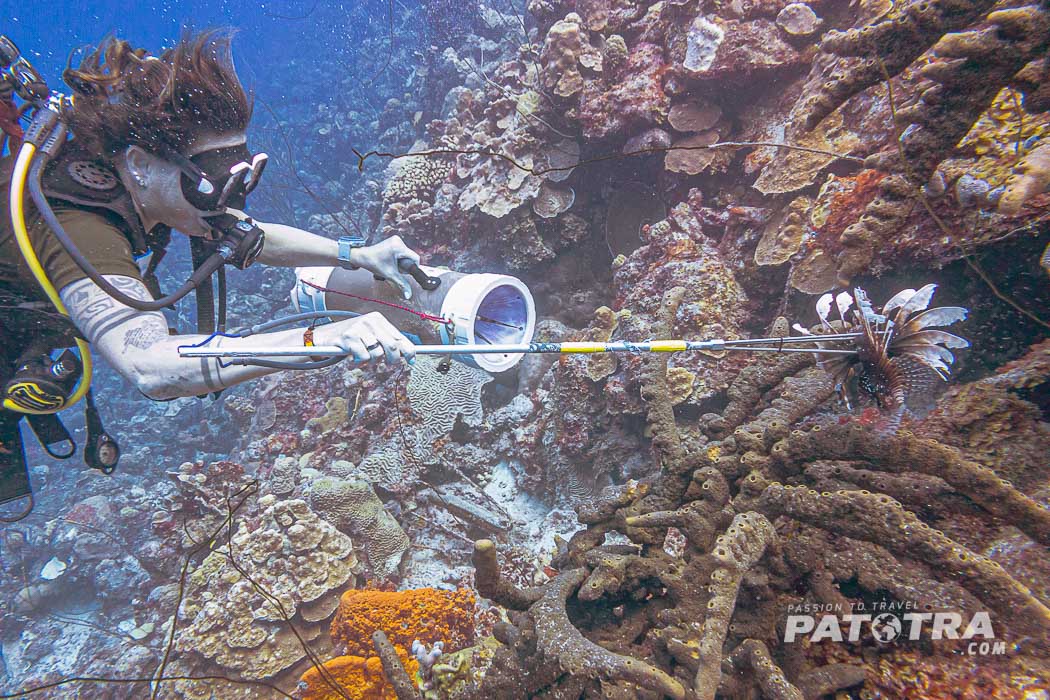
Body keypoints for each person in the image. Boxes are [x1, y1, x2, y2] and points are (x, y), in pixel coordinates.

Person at [0, 30, 417, 511]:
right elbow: (150, 366)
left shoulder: (141, 183)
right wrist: (318, 339)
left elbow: (250, 235)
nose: (229, 202)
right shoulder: (78, 227)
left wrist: (358, 255)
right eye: (213, 183)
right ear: (139, 164)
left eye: (241, 176)